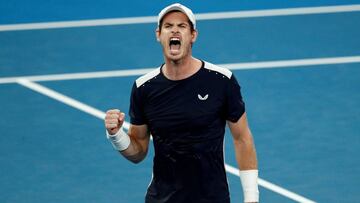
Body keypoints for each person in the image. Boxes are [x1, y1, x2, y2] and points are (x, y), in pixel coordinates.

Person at [104, 3, 259, 203]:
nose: (174, 30)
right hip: (162, 199)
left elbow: (242, 138)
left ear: (193, 35)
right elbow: (138, 151)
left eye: (182, 26)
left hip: (212, 198)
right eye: (168, 26)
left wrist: (251, 198)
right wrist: (116, 135)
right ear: (158, 35)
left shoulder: (221, 81)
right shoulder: (144, 88)